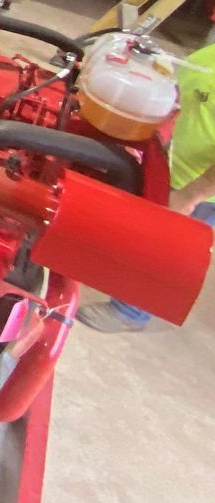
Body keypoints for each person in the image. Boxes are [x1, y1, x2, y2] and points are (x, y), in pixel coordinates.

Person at [78, 41, 215, 333]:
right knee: (140, 225)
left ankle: (130, 311)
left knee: (166, 247)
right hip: (167, 155)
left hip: (198, 185)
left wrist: (192, 195)